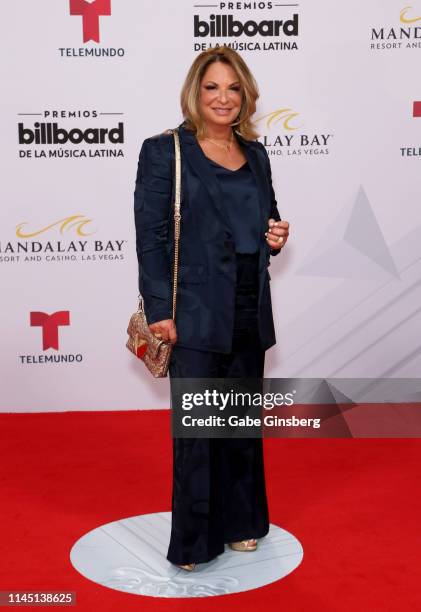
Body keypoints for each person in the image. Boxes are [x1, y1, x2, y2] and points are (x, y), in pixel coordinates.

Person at [133, 46, 290, 571]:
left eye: (233, 88)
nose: (223, 98)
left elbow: (263, 217)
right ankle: (195, 542)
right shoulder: (165, 152)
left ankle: (243, 522)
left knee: (241, 425)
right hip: (194, 310)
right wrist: (160, 309)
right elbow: (152, 239)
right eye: (212, 88)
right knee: (198, 430)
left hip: (249, 305)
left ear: (245, 95)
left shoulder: (257, 153)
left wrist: (275, 236)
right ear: (195, 94)